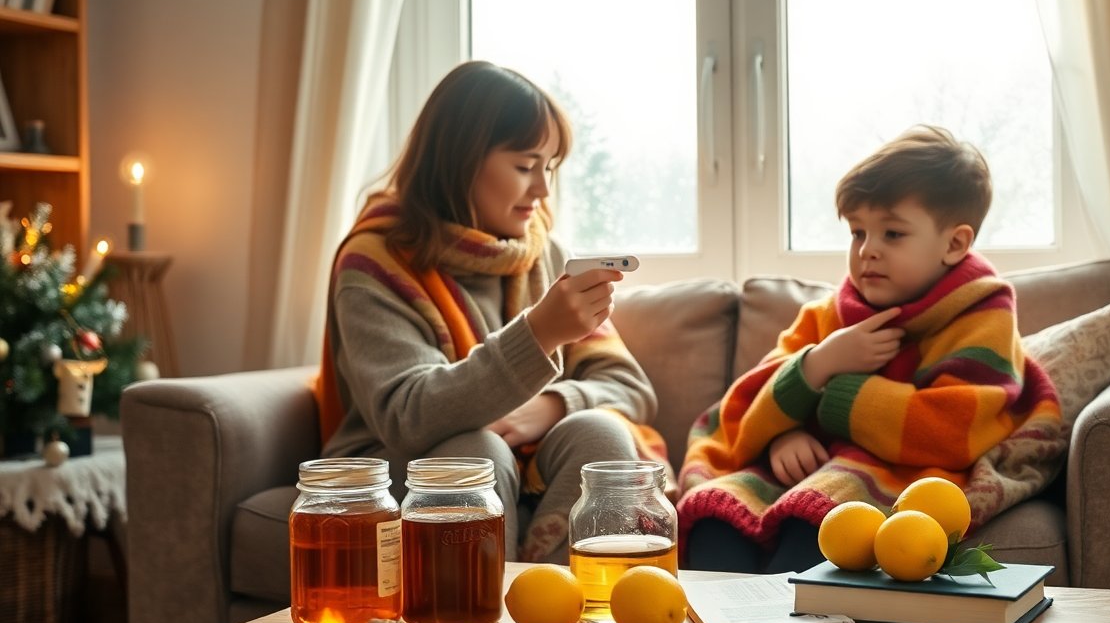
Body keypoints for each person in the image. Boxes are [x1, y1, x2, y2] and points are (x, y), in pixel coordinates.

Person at [314, 60, 668, 565]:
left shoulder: (541, 254)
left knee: (602, 432)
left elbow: (630, 387)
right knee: (475, 454)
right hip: (400, 462)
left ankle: (557, 608)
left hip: (525, 457)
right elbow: (407, 416)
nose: (543, 190)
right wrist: (538, 334)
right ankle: (480, 621)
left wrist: (551, 407)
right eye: (526, 167)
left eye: (549, 168)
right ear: (459, 162)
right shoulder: (375, 263)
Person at [677, 125, 1065, 574]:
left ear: (955, 243)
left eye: (892, 234)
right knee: (716, 516)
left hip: (901, 472)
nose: (867, 252)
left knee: (826, 519)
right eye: (858, 233)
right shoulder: (828, 316)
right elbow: (746, 409)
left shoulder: (981, 316)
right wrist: (808, 383)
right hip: (810, 466)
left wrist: (832, 394)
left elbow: (954, 428)